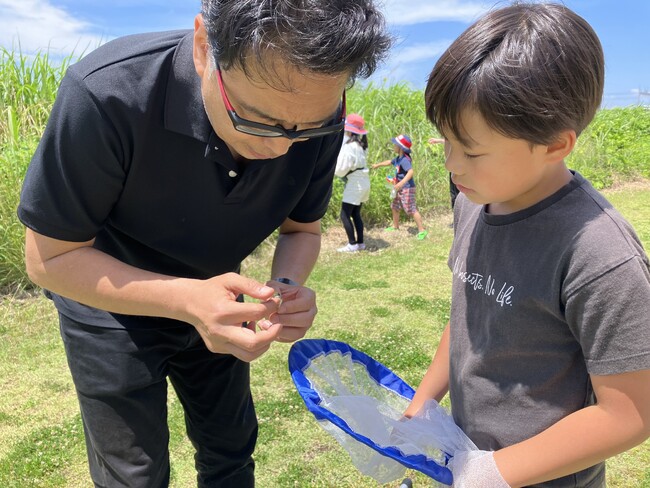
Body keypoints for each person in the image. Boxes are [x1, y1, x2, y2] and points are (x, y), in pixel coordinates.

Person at [17, 1, 392, 486]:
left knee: (231, 450)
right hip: (107, 301)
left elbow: (302, 229)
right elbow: (48, 257)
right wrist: (187, 299)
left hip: (219, 297)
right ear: (203, 48)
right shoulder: (107, 94)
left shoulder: (320, 114)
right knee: (134, 473)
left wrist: (282, 287)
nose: (279, 147)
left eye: (306, 130)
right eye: (257, 118)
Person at [404, 3, 650, 487]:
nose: (452, 165)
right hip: (466, 457)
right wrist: (424, 401)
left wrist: (492, 473)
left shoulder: (600, 255)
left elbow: (631, 413)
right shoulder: (473, 203)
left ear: (556, 145)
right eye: (444, 142)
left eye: (472, 150)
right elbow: (469, 317)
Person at [371, 134, 428, 240]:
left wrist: (401, 184)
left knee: (411, 209)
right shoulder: (398, 158)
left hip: (407, 187)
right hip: (398, 187)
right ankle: (395, 226)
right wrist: (377, 165)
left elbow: (410, 172)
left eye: (395, 145)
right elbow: (389, 162)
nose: (393, 146)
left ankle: (422, 230)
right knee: (395, 206)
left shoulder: (405, 160)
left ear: (401, 148)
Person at [335, 114, 371, 252]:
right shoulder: (361, 145)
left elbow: (341, 169)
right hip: (363, 181)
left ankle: (352, 244)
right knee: (356, 213)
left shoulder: (350, 146)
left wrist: (334, 172)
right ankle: (360, 243)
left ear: (349, 130)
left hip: (355, 184)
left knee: (344, 214)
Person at [428, 136, 459, 210]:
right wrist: (438, 140)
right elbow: (449, 140)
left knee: (459, 193)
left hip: (457, 165)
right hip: (453, 167)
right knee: (454, 194)